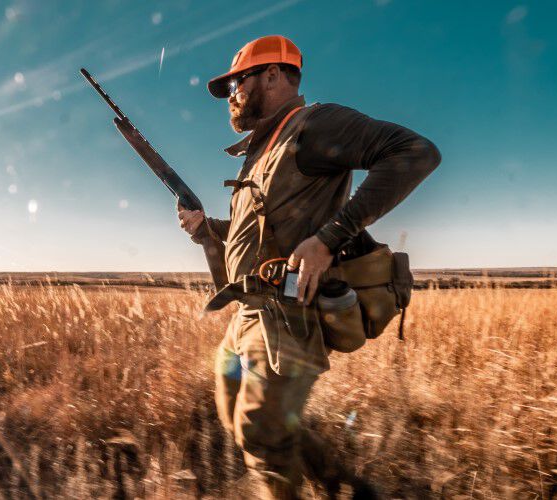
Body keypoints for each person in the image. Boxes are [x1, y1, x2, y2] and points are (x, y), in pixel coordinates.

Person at [178, 35, 440, 499]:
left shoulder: (314, 126)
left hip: (287, 321)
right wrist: (206, 229)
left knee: (261, 434)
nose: (232, 93)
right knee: (233, 401)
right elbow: (252, 232)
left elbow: (416, 153)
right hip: (248, 315)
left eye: (239, 80)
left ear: (274, 76)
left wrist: (328, 238)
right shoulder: (263, 149)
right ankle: (345, 489)